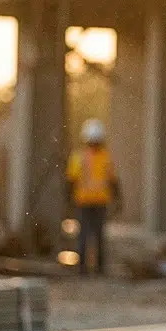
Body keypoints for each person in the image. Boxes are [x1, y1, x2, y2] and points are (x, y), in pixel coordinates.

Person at [66, 118, 119, 277]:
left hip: (86, 201)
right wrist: (118, 199)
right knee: (96, 235)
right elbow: (113, 181)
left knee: (87, 235)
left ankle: (85, 268)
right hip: (95, 201)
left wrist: (68, 200)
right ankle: (96, 268)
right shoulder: (104, 157)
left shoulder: (79, 157)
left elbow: (71, 181)